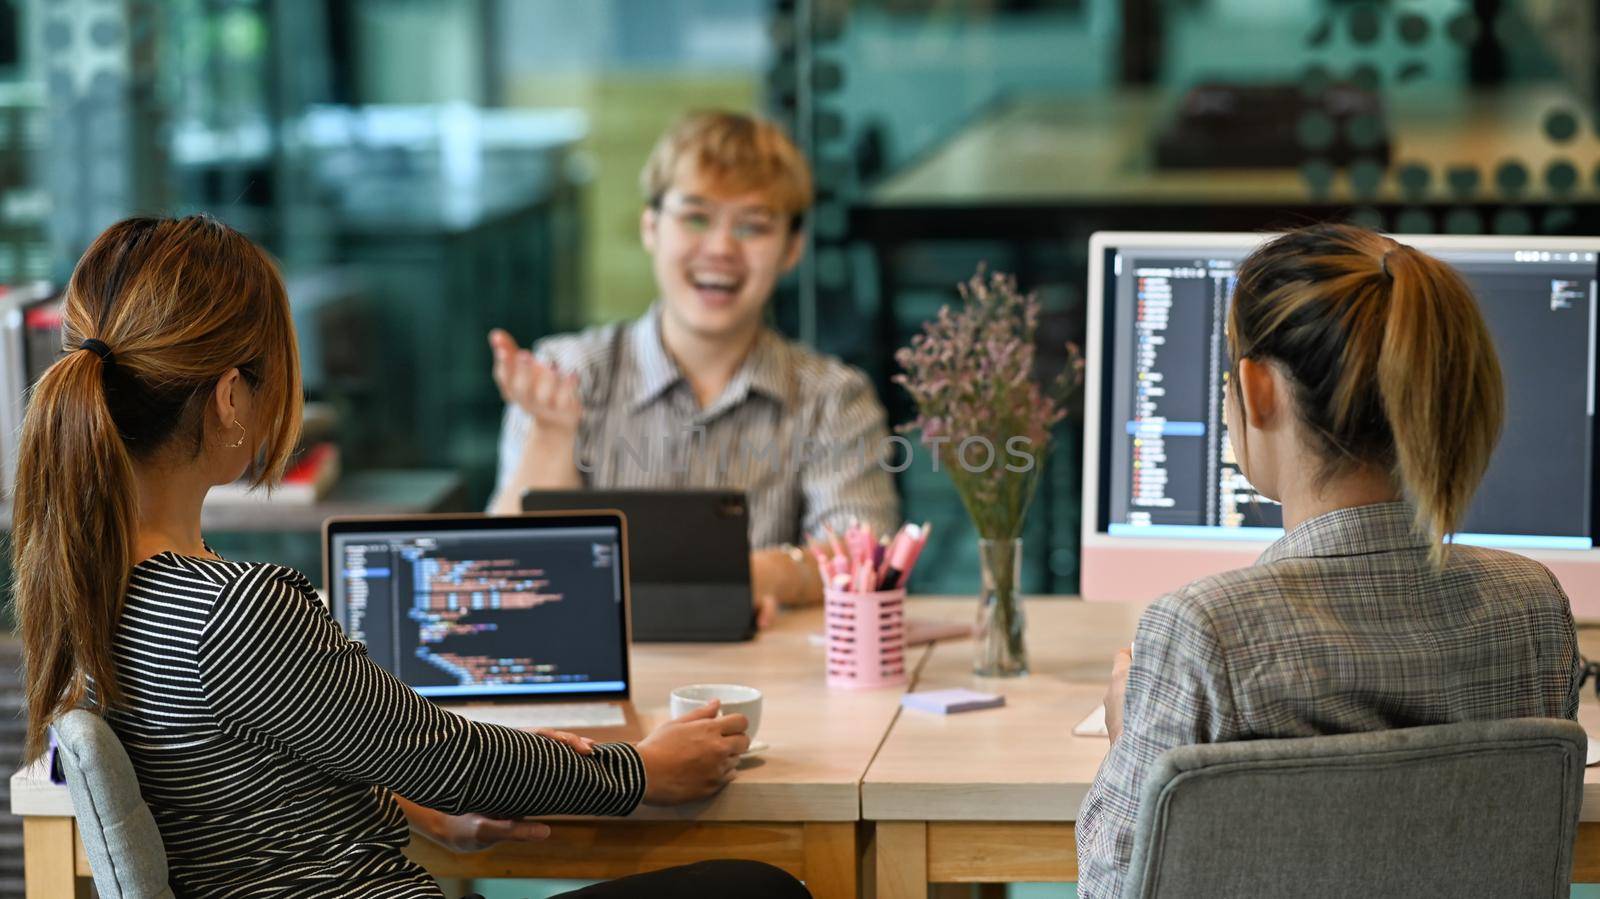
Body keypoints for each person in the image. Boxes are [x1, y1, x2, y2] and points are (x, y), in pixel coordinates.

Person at [14, 215, 809, 898]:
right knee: (764, 885)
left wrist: (414, 807)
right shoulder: (233, 609)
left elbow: (274, 785)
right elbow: (449, 754)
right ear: (229, 398)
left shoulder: (93, 590)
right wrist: (644, 770)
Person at [1075, 223, 1582, 898]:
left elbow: (1112, 887)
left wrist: (1124, 733)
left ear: (1256, 389)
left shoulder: (1203, 630)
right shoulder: (1534, 607)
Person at [486, 110, 899, 624]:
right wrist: (551, 433)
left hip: (768, 681)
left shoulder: (833, 397)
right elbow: (505, 574)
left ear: (792, 248)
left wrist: (759, 578)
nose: (721, 248)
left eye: (753, 226)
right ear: (650, 227)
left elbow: (865, 555)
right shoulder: (564, 373)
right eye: (696, 218)